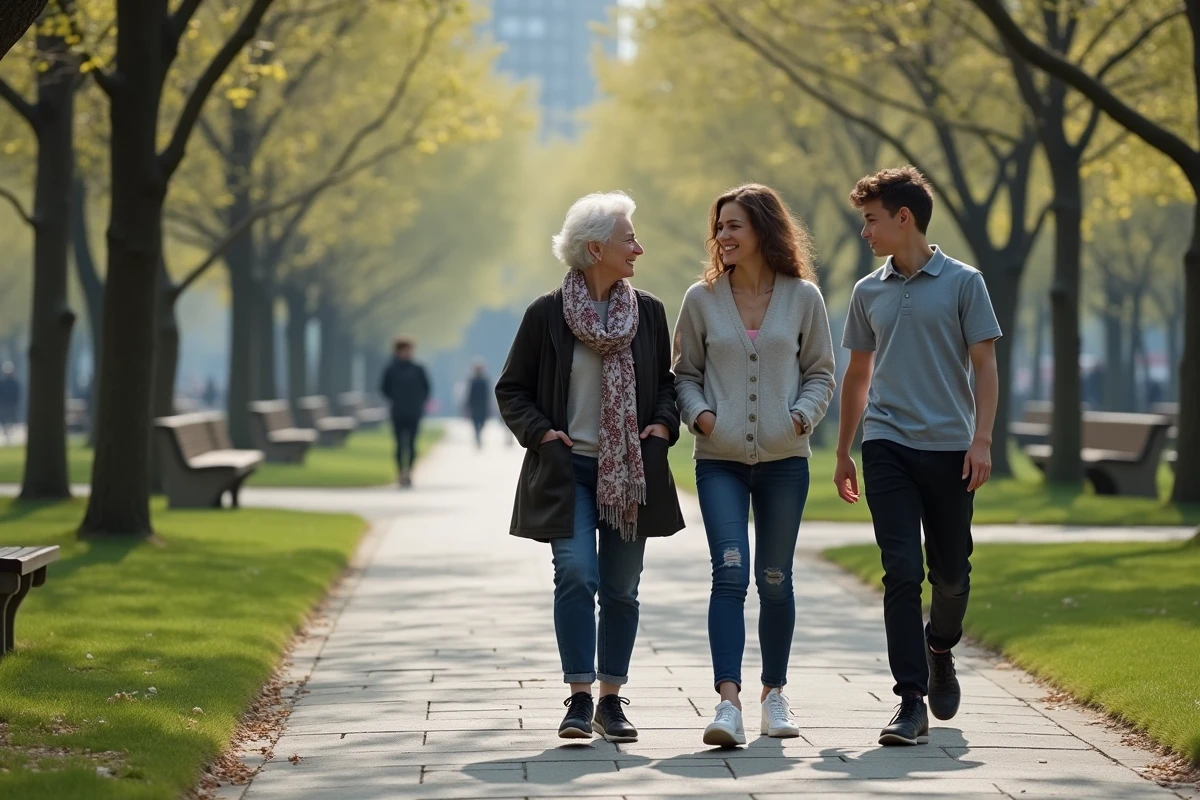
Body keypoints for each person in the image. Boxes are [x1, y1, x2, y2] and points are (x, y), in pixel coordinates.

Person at [495, 190, 685, 744]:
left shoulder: (647, 312)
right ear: (596, 247)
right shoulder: (545, 315)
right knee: (577, 574)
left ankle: (610, 699)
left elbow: (667, 385)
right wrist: (541, 434)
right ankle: (578, 699)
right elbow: (513, 389)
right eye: (630, 239)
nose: (639, 248)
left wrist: (663, 424)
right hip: (568, 470)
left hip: (629, 476)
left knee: (622, 589)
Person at [834, 166, 1001, 746]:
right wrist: (844, 450)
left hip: (951, 448)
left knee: (951, 575)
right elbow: (858, 373)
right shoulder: (866, 291)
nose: (866, 232)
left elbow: (984, 365)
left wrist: (981, 440)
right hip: (887, 445)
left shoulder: (964, 282)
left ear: (904, 218)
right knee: (901, 570)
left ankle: (939, 647)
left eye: (871, 220)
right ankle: (910, 701)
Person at [673, 184, 836, 747]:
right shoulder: (700, 298)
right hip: (718, 462)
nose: (722, 236)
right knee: (730, 573)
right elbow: (684, 375)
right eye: (719, 227)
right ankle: (728, 705)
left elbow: (821, 372)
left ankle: (774, 695)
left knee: (775, 579)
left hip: (784, 462)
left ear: (763, 229)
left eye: (734, 225)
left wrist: (799, 418)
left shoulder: (803, 298)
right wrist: (702, 418)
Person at [380, 337, 431, 488]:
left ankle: (409, 471)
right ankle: (400, 471)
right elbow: (384, 388)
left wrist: (419, 401)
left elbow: (426, 388)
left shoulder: (418, 369)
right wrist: (395, 398)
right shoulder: (391, 369)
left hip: (414, 411)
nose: (407, 353)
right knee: (398, 444)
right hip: (397, 412)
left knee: (412, 444)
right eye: (405, 350)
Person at [464, 360, 492, 449]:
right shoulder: (472, 381)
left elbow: (488, 395)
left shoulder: (485, 381)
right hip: (474, 406)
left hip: (483, 405)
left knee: (483, 422)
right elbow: (469, 395)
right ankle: (477, 434)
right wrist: (467, 406)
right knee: (475, 422)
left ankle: (479, 433)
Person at [0, 362, 20, 443]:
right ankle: (6, 430)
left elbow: (17, 394)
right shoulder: (3, 383)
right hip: (5, 403)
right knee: (5, 418)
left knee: (11, 417)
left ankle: (8, 430)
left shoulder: (14, 383)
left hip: (11, 403)